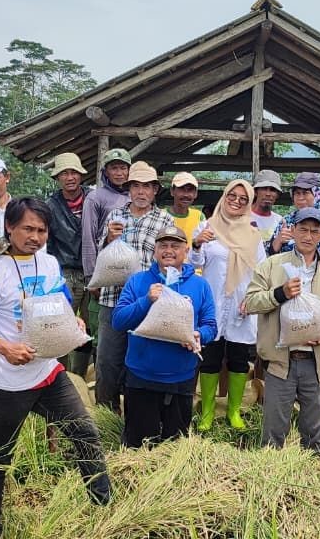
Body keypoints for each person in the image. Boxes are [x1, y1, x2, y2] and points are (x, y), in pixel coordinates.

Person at [0, 197, 111, 536]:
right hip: (6, 382)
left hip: (47, 373)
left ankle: (104, 508)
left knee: (85, 433)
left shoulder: (49, 263)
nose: (35, 237)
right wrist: (2, 346)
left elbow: (61, 301)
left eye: (41, 230)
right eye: (27, 229)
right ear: (10, 227)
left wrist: (74, 323)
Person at [245, 207, 320, 457]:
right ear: (292, 231)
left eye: (314, 231)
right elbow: (251, 302)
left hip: (317, 363)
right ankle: (269, 480)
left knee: (314, 432)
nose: (308, 235)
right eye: (303, 229)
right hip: (280, 362)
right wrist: (280, 293)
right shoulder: (272, 266)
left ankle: (312, 476)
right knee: (274, 432)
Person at [113, 226, 217, 447]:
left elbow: (210, 326)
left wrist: (199, 334)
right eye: (163, 245)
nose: (169, 250)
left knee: (174, 446)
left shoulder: (200, 285)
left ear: (186, 250)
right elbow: (119, 321)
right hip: (141, 378)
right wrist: (146, 300)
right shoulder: (138, 281)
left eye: (175, 245)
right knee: (138, 445)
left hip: (181, 378)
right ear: (154, 251)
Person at [94, 161, 175, 413]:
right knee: (107, 360)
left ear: (155, 191)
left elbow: (171, 261)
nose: (141, 192)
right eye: (136, 186)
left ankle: (136, 414)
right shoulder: (115, 216)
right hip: (113, 298)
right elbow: (100, 253)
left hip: (148, 303)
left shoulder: (164, 219)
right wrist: (108, 239)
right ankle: (106, 414)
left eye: (147, 187)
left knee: (140, 361)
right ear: (129, 189)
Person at [189, 180, 267, 431]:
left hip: (240, 306)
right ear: (224, 197)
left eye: (243, 199)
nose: (236, 201)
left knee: (239, 359)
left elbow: (261, 272)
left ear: (249, 204)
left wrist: (251, 298)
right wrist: (198, 243)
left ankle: (234, 411)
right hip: (212, 303)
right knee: (209, 358)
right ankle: (208, 412)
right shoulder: (207, 227)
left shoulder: (254, 236)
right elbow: (193, 264)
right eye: (232, 196)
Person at [44, 152, 94, 377]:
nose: (70, 177)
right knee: (61, 326)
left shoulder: (93, 200)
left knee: (88, 327)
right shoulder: (50, 206)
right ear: (58, 178)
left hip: (92, 272)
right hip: (64, 271)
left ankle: (81, 375)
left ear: (81, 175)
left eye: (74, 172)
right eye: (64, 173)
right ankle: (60, 376)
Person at [80, 148, 132, 286]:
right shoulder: (95, 197)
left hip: (132, 267)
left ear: (129, 171)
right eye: (114, 168)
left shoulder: (135, 197)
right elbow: (88, 237)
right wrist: (91, 275)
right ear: (106, 172)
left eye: (123, 168)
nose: (119, 173)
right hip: (104, 267)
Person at [268, 172, 320, 259]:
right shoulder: (287, 220)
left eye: (305, 193)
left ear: (316, 194)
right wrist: (278, 241)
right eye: (297, 193)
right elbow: (271, 255)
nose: (300, 198)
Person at [167, 172, 204, 249]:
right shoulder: (160, 215)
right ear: (172, 191)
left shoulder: (199, 216)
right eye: (181, 189)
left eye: (190, 190)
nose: (186, 195)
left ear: (195, 194)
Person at [250, 169, 284, 245]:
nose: (268, 194)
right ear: (255, 192)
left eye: (272, 190)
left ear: (277, 195)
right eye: (264, 188)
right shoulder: (241, 217)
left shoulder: (280, 221)